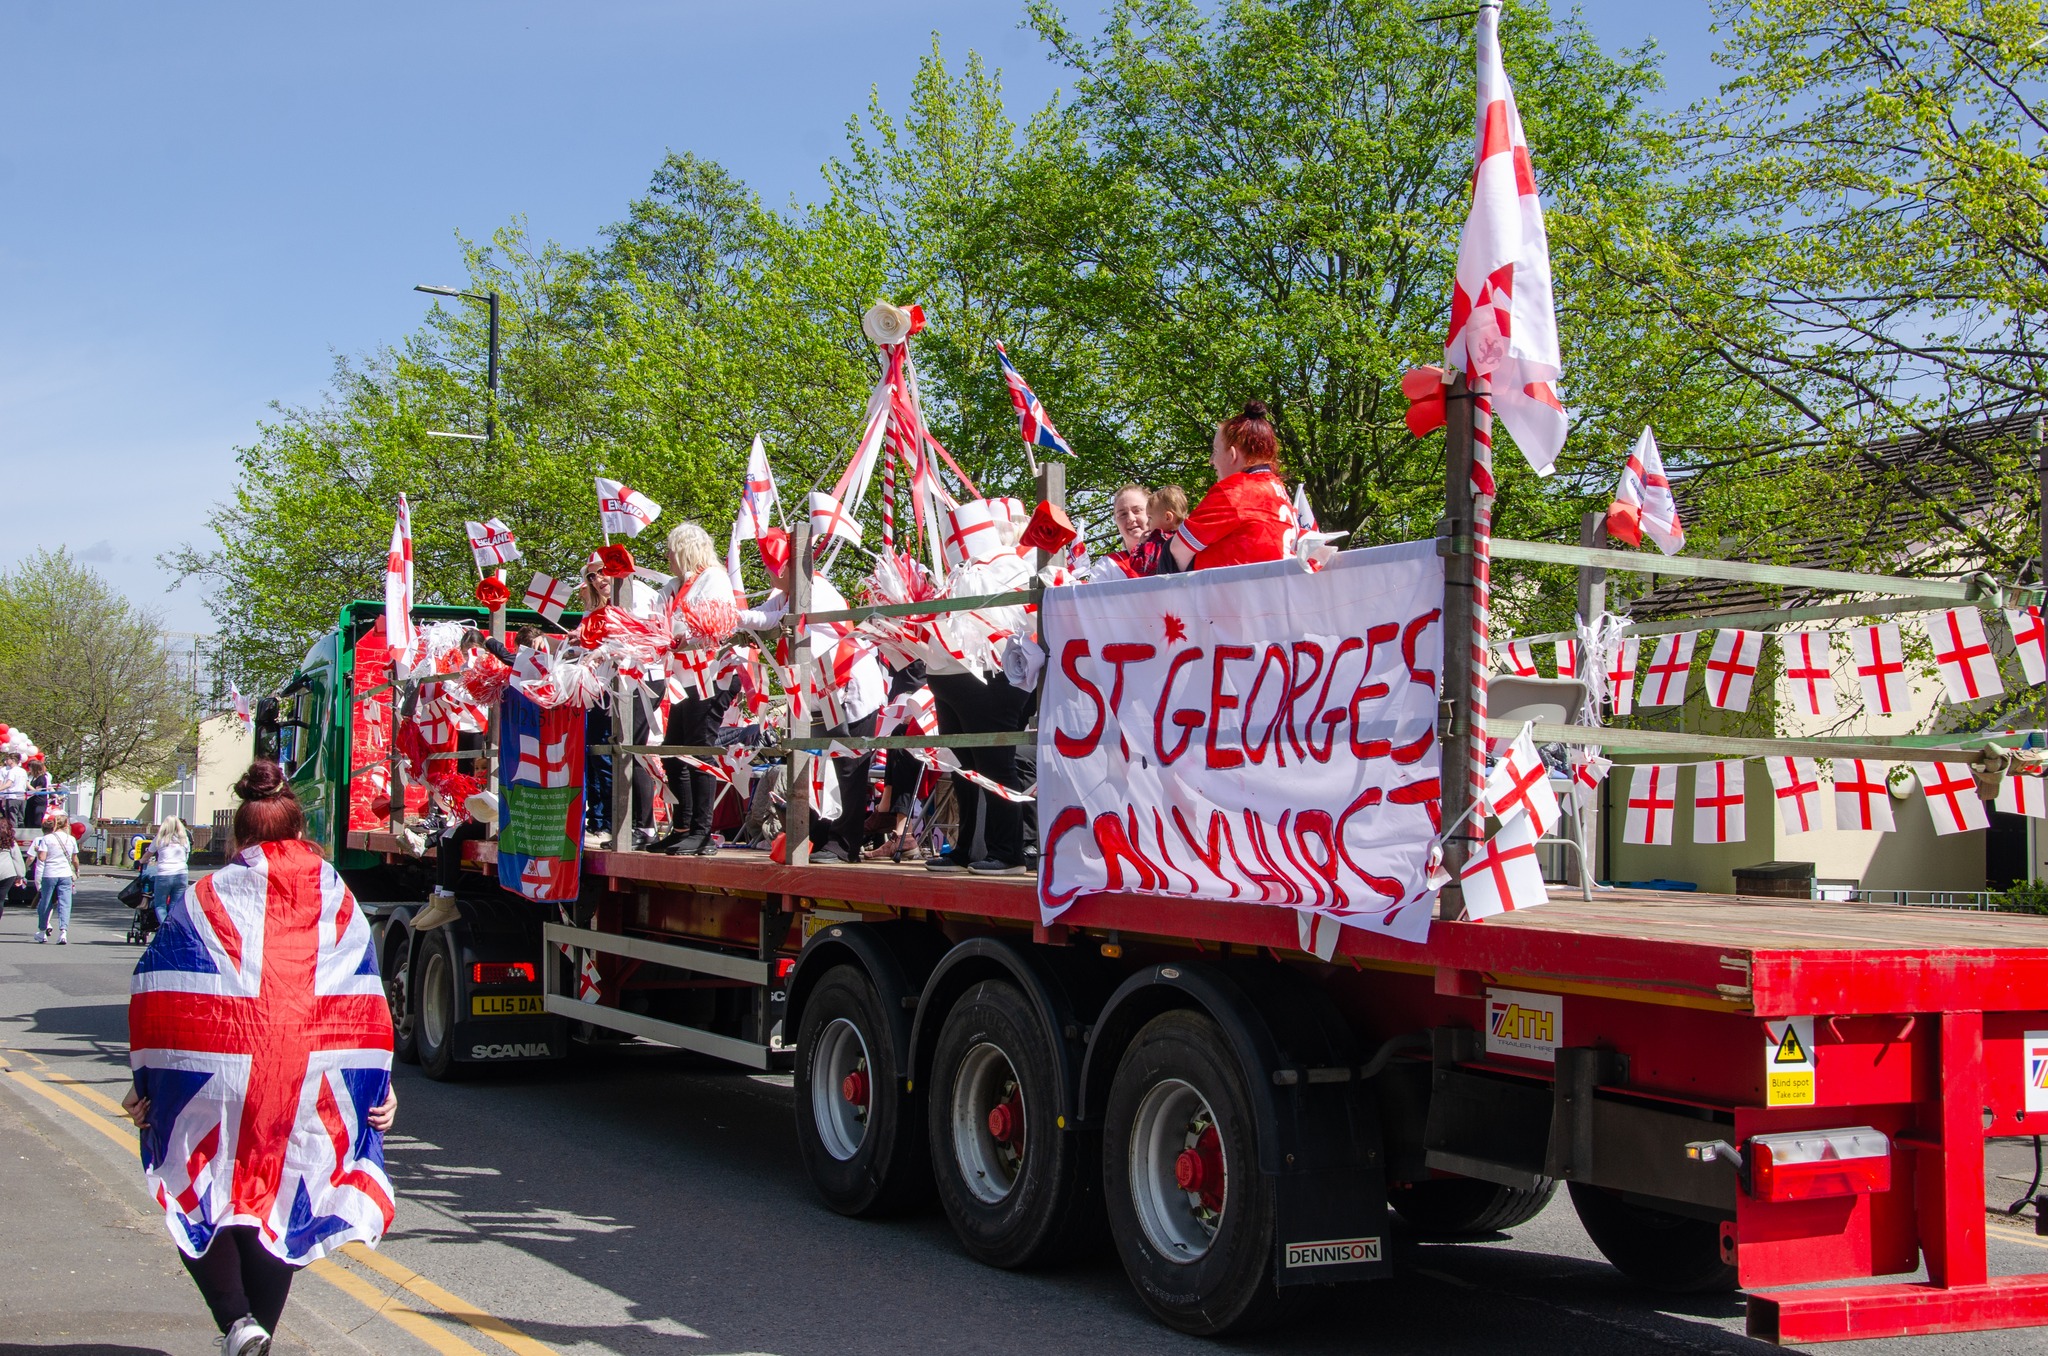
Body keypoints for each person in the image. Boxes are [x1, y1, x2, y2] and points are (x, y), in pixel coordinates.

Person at [122, 761, 398, 1356]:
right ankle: (255, 1335)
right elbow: (363, 998)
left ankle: (238, 1323)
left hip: (217, 1076)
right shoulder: (338, 896)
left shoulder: (204, 896)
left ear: (238, 835)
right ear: (301, 830)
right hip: (310, 1078)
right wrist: (376, 1088)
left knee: (200, 1182)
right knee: (284, 1190)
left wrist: (148, 1081)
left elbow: (161, 991)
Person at [738, 527, 886, 863]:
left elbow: (778, 619)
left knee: (848, 767)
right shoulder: (790, 592)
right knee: (820, 765)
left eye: (770, 566)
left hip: (848, 686)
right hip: (822, 692)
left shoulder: (816, 589)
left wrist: (739, 617)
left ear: (789, 567)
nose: (766, 573)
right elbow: (765, 615)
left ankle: (846, 842)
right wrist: (730, 617)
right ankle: (820, 833)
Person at [651, 522, 741, 856]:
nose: (667, 557)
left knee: (700, 752)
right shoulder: (674, 586)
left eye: (671, 550)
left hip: (711, 676)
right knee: (673, 752)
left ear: (686, 550)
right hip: (684, 679)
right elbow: (653, 616)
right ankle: (683, 826)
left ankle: (704, 831)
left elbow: (710, 626)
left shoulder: (714, 578)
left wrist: (672, 634)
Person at [1170, 399, 1298, 572]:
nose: (1211, 461)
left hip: (1232, 595)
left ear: (1232, 455)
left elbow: (1178, 549)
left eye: (1215, 452)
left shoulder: (1235, 491)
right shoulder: (1278, 490)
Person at [32, 809, 78, 944]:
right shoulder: (71, 839)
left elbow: (42, 858)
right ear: (66, 825)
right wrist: (77, 870)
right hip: (65, 874)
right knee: (65, 903)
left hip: (50, 873)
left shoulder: (47, 838)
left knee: (46, 902)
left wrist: (38, 851)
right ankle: (63, 932)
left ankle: (42, 931)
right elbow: (75, 859)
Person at [142, 816, 191, 929]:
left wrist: (142, 861)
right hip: (181, 874)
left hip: (164, 874)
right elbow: (186, 856)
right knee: (174, 905)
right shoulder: (184, 840)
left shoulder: (160, 839)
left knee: (160, 905)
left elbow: (148, 854)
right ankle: (173, 927)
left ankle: (166, 927)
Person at [1101, 484, 1153, 579]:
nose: (1130, 518)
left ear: (1152, 513)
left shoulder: (1175, 555)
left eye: (1137, 510)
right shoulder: (1107, 568)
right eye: (1123, 514)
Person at [1139, 484, 1189, 577]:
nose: (1147, 523)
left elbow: (1142, 568)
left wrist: (1141, 546)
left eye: (1150, 518)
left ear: (1167, 517)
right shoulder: (1189, 538)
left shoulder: (1157, 542)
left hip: (1163, 587)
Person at [23, 757, 53, 831]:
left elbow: (36, 791)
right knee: (28, 820)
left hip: (39, 803)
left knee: (37, 821)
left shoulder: (42, 778)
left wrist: (27, 784)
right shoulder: (34, 778)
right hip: (31, 802)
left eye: (31, 768)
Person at [0, 817, 21, 921]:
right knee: (1, 899)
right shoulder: (10, 842)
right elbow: (17, 858)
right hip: (7, 873)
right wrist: (20, 875)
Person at [0, 752, 26, 827]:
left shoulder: (12, 771)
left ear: (13, 760)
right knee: (21, 819)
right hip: (22, 797)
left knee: (12, 819)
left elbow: (8, 784)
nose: (6, 761)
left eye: (7, 759)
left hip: (12, 797)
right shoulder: (23, 771)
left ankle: (14, 837)